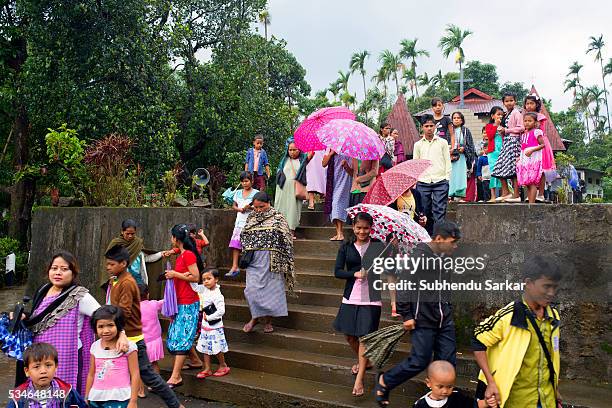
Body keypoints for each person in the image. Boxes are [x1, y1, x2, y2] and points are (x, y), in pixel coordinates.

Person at [376, 221, 461, 407]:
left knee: (448, 361)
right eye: (452, 242)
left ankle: (444, 398)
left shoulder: (445, 256)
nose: (455, 246)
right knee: (419, 361)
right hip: (423, 319)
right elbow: (404, 286)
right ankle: (386, 380)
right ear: (439, 239)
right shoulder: (418, 256)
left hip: (444, 318)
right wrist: (406, 315)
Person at [19, 251, 118, 394]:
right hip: (40, 356)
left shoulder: (79, 296)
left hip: (66, 357)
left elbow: (106, 316)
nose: (58, 272)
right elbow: (38, 318)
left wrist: (119, 334)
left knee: (65, 392)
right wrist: (22, 317)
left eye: (64, 269)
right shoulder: (43, 291)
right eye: (54, 268)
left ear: (73, 273)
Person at [472, 256, 562, 408]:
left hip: (545, 399)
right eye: (547, 287)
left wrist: (555, 389)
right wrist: (491, 382)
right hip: (515, 400)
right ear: (528, 283)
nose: (551, 293)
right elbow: (478, 340)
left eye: (555, 287)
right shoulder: (510, 315)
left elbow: (551, 358)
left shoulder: (553, 316)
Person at [104, 245, 182, 408]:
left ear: (123, 263)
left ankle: (175, 405)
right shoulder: (118, 280)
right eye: (107, 263)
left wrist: (118, 329)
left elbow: (123, 312)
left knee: (149, 376)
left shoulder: (126, 283)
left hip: (131, 338)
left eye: (111, 264)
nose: (108, 267)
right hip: (125, 336)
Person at [332, 212, 385, 397]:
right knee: (350, 337)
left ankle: (359, 379)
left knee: (363, 338)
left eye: (366, 228)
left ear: (371, 229)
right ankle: (367, 361)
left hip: (371, 298)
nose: (362, 231)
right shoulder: (345, 246)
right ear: (353, 227)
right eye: (359, 228)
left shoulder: (379, 245)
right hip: (350, 296)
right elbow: (337, 272)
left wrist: (390, 251)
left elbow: (389, 267)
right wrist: (354, 274)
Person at [240, 191, 296, 334]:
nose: (258, 210)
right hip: (254, 259)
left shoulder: (278, 217)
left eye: (262, 207)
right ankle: (255, 317)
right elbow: (244, 235)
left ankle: (268, 321)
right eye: (256, 207)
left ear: (269, 203)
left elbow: (286, 238)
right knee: (251, 290)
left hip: (272, 260)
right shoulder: (251, 217)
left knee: (271, 292)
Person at [164, 224, 203, 387]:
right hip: (180, 300)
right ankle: (195, 360)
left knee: (180, 337)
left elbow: (196, 277)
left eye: (171, 237)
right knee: (178, 334)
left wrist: (175, 274)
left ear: (175, 238)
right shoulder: (181, 254)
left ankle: (176, 376)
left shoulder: (187, 255)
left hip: (188, 302)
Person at [85, 306, 139, 408]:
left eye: (110, 325)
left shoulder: (129, 346)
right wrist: (86, 396)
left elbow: (135, 374)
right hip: (96, 397)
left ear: (118, 325)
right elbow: (91, 374)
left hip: (120, 398)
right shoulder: (94, 346)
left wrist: (133, 401)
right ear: (95, 328)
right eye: (101, 326)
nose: (106, 330)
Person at [8, 343, 87, 408]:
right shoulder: (18, 396)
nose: (43, 371)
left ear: (56, 367)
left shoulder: (67, 391)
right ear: (27, 371)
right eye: (36, 367)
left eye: (48, 365)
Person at [413, 114, 451, 234]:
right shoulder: (418, 145)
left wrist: (447, 178)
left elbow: (447, 161)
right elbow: (416, 164)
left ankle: (439, 238)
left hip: (440, 180)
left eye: (431, 125)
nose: (429, 128)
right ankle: (427, 237)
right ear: (422, 127)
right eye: (426, 126)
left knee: (439, 210)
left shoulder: (443, 142)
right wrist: (416, 180)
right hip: (423, 181)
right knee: (424, 211)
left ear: (435, 127)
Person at [194, 269, 230, 379]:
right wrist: (190, 277)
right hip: (205, 325)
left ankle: (223, 365)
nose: (206, 281)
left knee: (217, 346)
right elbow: (195, 287)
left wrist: (209, 317)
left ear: (216, 279)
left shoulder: (218, 295)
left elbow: (221, 311)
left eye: (209, 279)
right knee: (205, 346)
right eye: (204, 279)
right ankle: (207, 368)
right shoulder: (205, 289)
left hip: (214, 326)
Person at [413, 361, 495, 408]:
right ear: (428, 383)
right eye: (440, 387)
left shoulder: (457, 397)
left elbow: (474, 405)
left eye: (449, 386)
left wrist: (486, 402)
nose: (445, 391)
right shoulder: (420, 405)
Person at [106, 219, 164, 285]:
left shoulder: (137, 243)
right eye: (127, 234)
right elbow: (110, 263)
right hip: (120, 279)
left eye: (132, 234)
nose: (130, 236)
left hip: (137, 280)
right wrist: (114, 279)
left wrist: (161, 254)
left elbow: (145, 258)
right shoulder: (115, 244)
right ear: (122, 231)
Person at [491, 92, 525, 203]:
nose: (509, 103)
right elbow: (503, 131)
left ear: (515, 101)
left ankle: (516, 194)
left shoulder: (516, 113)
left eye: (511, 100)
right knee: (500, 167)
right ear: (503, 102)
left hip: (514, 142)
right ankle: (506, 192)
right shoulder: (506, 114)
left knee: (512, 170)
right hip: (506, 142)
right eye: (507, 101)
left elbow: (521, 128)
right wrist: (501, 130)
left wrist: (507, 130)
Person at [226, 171, 258, 278]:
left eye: (246, 181)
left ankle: (250, 267)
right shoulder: (238, 193)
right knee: (236, 245)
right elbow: (234, 205)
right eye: (243, 181)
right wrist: (239, 209)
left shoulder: (256, 193)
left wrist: (251, 208)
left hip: (251, 223)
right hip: (239, 222)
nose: (245, 183)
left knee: (249, 246)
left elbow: (260, 207)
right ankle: (234, 266)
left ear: (251, 181)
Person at [524, 94, 556, 202]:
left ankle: (541, 194)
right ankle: (531, 194)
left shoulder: (539, 116)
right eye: (527, 103)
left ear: (536, 104)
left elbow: (537, 129)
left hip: (539, 143)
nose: (529, 106)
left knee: (541, 170)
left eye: (531, 103)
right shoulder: (525, 117)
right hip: (529, 144)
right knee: (528, 168)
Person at [274, 137, 308, 238]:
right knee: (281, 208)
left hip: (295, 190)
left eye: (295, 150)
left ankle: (291, 232)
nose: (292, 152)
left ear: (299, 150)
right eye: (290, 150)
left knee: (293, 210)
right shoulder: (284, 160)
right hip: (283, 189)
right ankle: (280, 231)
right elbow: (279, 173)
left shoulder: (302, 160)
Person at [137, 284, 164, 397]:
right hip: (155, 341)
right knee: (154, 364)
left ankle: (140, 391)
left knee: (138, 368)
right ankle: (155, 385)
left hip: (142, 342)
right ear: (147, 294)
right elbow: (165, 302)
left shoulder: (134, 309)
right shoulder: (153, 304)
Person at [322, 149, 352, 241]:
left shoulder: (348, 151)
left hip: (344, 181)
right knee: (332, 205)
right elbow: (323, 164)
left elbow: (352, 171)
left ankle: (340, 233)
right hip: (332, 182)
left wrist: (346, 166)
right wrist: (331, 153)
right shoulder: (330, 150)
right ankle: (338, 232)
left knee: (337, 203)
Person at [517, 113, 546, 203]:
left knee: (532, 182)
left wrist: (532, 150)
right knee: (527, 183)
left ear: (535, 122)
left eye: (530, 121)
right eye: (525, 121)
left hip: (533, 160)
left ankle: (532, 204)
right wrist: (519, 158)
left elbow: (543, 145)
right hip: (525, 160)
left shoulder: (536, 132)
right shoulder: (524, 134)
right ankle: (530, 202)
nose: (527, 123)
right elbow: (523, 148)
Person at [449, 112, 475, 201]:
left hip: (462, 158)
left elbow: (471, 146)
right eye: (454, 118)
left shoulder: (465, 131)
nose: (456, 119)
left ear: (462, 120)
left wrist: (464, 149)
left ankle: (459, 196)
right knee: (451, 176)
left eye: (458, 118)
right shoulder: (449, 131)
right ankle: (450, 196)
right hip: (451, 158)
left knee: (460, 176)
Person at [485, 106, 505, 202]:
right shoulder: (489, 126)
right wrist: (496, 125)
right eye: (498, 114)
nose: (500, 116)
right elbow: (490, 136)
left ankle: (504, 195)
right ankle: (493, 196)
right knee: (493, 173)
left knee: (504, 173)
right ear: (492, 116)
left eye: (501, 115)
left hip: (503, 151)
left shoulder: (504, 126)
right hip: (492, 152)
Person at [476, 136, 491, 202]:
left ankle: (492, 198)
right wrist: (479, 174)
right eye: (485, 148)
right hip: (484, 176)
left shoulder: (492, 157)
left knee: (492, 189)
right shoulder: (481, 158)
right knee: (485, 189)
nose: (486, 149)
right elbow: (478, 167)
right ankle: (486, 199)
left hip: (491, 176)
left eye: (487, 148)